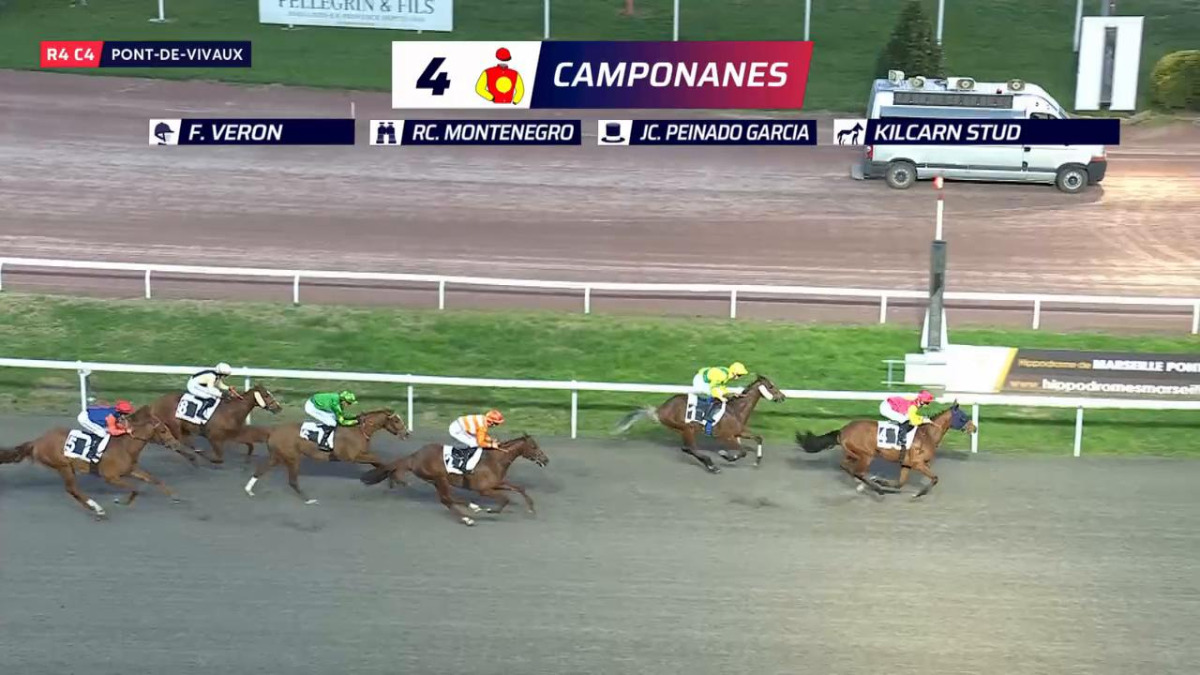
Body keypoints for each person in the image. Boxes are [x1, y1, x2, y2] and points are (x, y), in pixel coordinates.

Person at [690, 362, 748, 434]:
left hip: (707, 380)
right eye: (739, 375)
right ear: (734, 373)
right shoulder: (722, 375)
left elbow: (721, 386)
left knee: (720, 394)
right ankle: (705, 420)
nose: (740, 377)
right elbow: (713, 388)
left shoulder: (727, 374)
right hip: (700, 381)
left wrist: (731, 393)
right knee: (713, 397)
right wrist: (720, 397)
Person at [447, 410, 505, 474]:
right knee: (474, 444)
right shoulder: (482, 426)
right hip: (457, 430)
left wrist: (490, 440)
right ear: (490, 422)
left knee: (475, 442)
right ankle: (460, 465)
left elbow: (481, 434)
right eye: (496, 424)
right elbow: (480, 443)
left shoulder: (483, 419)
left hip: (460, 426)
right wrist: (491, 445)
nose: (496, 426)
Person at [880, 390, 935, 456]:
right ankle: (901, 440)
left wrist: (922, 418)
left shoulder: (916, 401)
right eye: (927, 402)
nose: (927, 405)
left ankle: (896, 427)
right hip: (886, 408)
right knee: (904, 420)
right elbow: (913, 421)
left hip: (890, 405)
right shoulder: (913, 406)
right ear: (921, 401)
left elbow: (912, 416)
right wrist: (923, 420)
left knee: (905, 418)